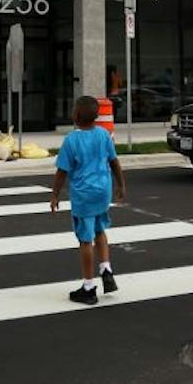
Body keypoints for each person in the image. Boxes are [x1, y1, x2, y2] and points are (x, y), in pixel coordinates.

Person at [51, 95, 127, 305]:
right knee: (100, 231)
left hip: (83, 196)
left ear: (75, 115)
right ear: (96, 116)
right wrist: (121, 185)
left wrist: (55, 194)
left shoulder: (71, 140)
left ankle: (88, 287)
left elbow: (62, 171)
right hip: (103, 192)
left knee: (85, 240)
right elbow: (114, 162)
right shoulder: (104, 135)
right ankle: (106, 268)